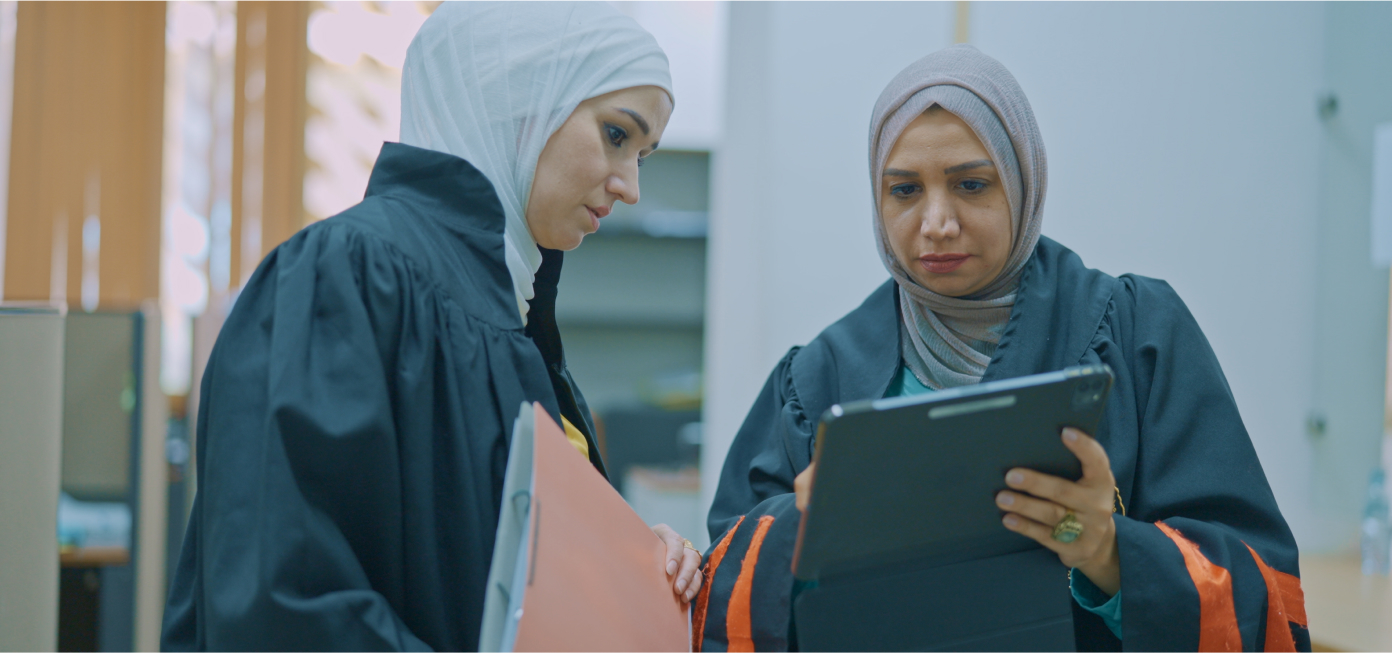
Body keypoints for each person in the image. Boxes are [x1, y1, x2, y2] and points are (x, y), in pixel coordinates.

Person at [693, 45, 1309, 652]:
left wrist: (1108, 551)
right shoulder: (819, 381)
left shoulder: (1135, 337)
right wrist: (805, 531)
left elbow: (1263, 593)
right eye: (904, 190)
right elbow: (721, 587)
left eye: (970, 183)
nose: (936, 222)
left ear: (1022, 183)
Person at [162, 3, 704, 650]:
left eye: (643, 153)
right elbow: (285, 607)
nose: (631, 185)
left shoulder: (515, 322)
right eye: (617, 135)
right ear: (517, 98)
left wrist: (634, 566)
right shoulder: (343, 277)